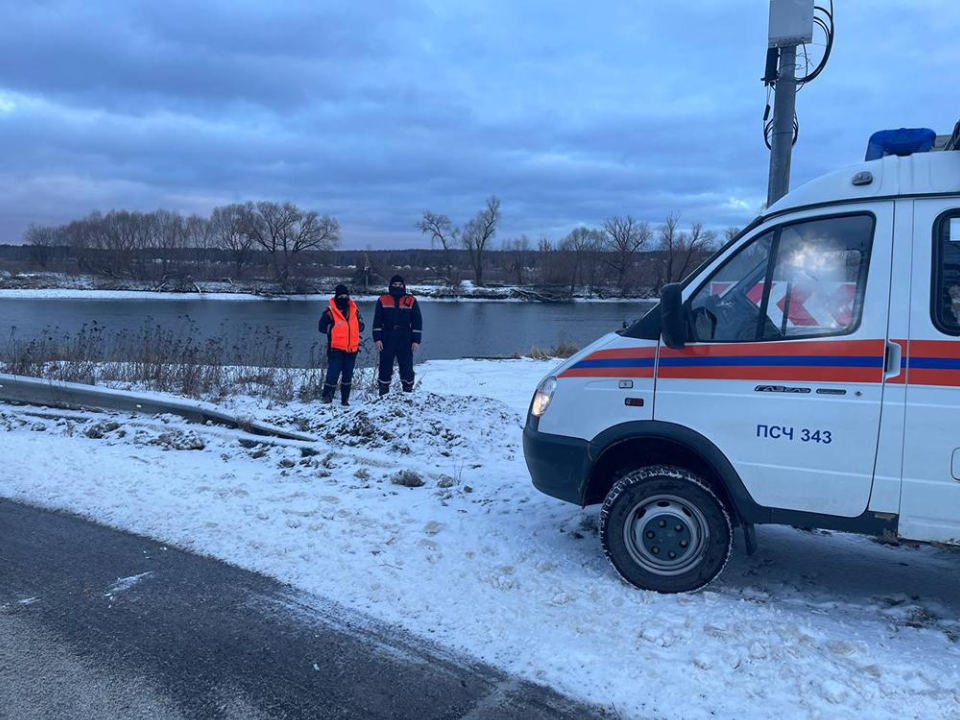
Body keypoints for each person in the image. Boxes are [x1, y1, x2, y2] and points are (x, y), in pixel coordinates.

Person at [372, 275, 422, 395]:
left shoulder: (411, 300)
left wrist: (416, 341)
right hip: (387, 336)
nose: (397, 286)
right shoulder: (383, 299)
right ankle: (383, 394)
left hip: (405, 336)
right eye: (395, 284)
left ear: (403, 286)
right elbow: (377, 321)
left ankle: (407, 392)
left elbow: (417, 321)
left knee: (406, 366)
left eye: (400, 284)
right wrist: (377, 339)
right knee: (385, 366)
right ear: (391, 285)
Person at [318, 284, 364, 406]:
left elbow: (362, 326)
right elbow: (321, 327)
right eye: (341, 296)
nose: (344, 298)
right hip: (336, 350)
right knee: (332, 376)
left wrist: (359, 325)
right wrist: (331, 328)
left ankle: (345, 401)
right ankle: (327, 400)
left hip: (351, 350)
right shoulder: (330, 312)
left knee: (347, 377)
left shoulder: (354, 311)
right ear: (336, 296)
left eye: (346, 296)